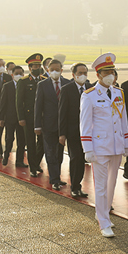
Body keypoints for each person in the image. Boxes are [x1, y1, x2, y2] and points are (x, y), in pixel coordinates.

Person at [81, 53, 128, 237]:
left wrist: (126, 142)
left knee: (111, 184)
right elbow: (85, 123)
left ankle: (104, 214)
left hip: (116, 145)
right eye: (107, 72)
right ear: (98, 75)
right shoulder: (89, 96)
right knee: (100, 185)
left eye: (112, 71)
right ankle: (103, 221)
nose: (111, 75)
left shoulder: (119, 93)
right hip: (100, 146)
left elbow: (123, 119)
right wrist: (88, 148)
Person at [35, 58, 71, 189]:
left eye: (57, 70)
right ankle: (54, 179)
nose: (54, 72)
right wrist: (37, 125)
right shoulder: (42, 85)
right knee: (50, 152)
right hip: (48, 125)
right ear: (47, 70)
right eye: (52, 70)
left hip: (63, 125)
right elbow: (38, 106)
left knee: (59, 153)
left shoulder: (67, 83)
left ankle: (57, 176)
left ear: (61, 70)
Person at [59, 63, 90, 197]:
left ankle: (78, 185)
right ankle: (74, 186)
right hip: (73, 131)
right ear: (73, 75)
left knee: (83, 159)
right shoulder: (67, 89)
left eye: (85, 73)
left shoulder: (90, 88)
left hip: (88, 132)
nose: (82, 75)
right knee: (75, 157)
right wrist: (62, 134)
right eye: (80, 73)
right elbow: (62, 113)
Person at [17, 54, 46, 176]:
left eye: (39, 65)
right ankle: (33, 168)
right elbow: (19, 101)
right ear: (30, 68)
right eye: (35, 66)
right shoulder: (23, 82)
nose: (38, 67)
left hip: (42, 116)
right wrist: (21, 118)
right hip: (29, 117)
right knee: (30, 143)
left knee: (43, 142)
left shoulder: (44, 80)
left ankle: (36, 162)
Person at [0, 65, 22, 165]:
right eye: (16, 74)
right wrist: (1, 118)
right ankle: (6, 156)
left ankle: (19, 160)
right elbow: (2, 103)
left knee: (21, 140)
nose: (18, 75)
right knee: (9, 139)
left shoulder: (24, 85)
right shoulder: (7, 86)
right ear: (12, 75)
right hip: (10, 117)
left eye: (20, 74)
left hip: (21, 118)